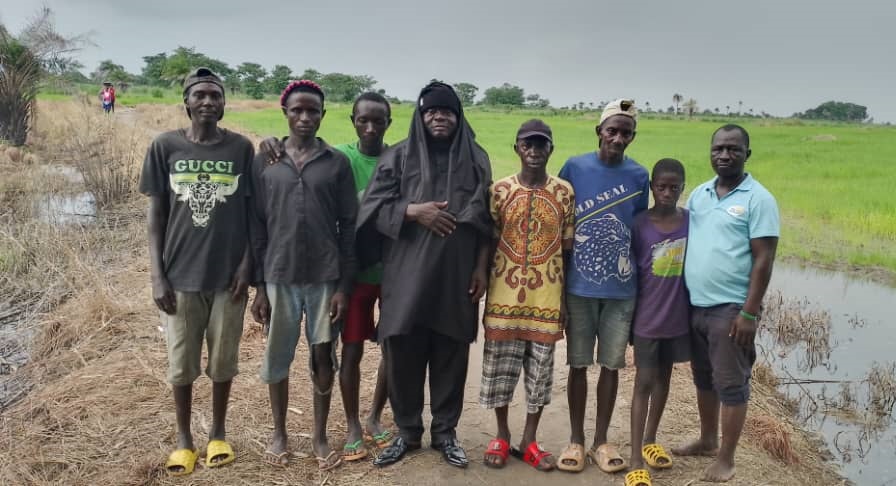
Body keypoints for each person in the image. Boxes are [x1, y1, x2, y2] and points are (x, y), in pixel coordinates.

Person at [356, 82, 492, 469]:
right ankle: (407, 432)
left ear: (458, 116)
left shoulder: (476, 159)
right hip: (406, 278)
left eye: (447, 111)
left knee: (451, 353)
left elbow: (485, 220)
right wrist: (413, 211)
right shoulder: (397, 157)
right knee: (402, 352)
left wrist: (482, 267)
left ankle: (445, 433)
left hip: (455, 277)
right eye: (431, 111)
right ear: (420, 115)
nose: (439, 117)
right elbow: (371, 211)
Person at [138, 67, 254, 477]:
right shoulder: (164, 146)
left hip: (229, 279)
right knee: (181, 365)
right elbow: (156, 217)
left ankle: (218, 433)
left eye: (216, 96)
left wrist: (246, 265)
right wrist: (157, 275)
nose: (208, 102)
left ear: (224, 104)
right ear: (186, 102)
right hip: (180, 277)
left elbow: (251, 213)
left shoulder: (241, 149)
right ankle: (184, 439)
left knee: (224, 362)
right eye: (200, 95)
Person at [249, 80, 358, 472]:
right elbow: (257, 226)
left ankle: (319, 435)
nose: (305, 117)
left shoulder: (335, 162)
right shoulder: (266, 161)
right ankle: (279, 432)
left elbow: (349, 226)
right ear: (286, 113)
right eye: (297, 110)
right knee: (277, 357)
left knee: (322, 357)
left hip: (325, 277)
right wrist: (258, 287)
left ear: (323, 115)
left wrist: (344, 288)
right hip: (278, 276)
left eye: (313, 111)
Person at [673, 124, 779, 482]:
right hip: (697, 305)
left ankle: (727, 459)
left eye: (733, 149)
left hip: (732, 309)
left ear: (747, 154)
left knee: (731, 383)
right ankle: (706, 439)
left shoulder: (758, 199)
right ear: (710, 151)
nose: (724, 155)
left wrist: (749, 312)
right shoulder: (700, 194)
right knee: (704, 377)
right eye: (718, 148)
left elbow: (764, 258)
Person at [557, 99, 649, 473]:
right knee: (578, 364)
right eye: (612, 130)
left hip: (621, 291)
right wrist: (559, 290)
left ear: (632, 136)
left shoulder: (639, 176)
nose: (617, 137)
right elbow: (560, 226)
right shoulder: (575, 168)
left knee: (611, 366)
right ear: (599, 131)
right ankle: (576, 440)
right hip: (579, 287)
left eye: (625, 132)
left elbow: (641, 232)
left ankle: (601, 441)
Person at [479, 119, 573, 472]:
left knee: (540, 374)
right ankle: (501, 434)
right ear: (517, 148)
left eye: (541, 144)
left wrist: (564, 300)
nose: (534, 151)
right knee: (499, 371)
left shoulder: (564, 192)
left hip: (546, 298)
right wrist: (482, 281)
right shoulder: (500, 191)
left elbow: (567, 250)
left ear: (551, 148)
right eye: (527, 144)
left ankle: (529, 440)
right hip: (504, 293)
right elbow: (489, 242)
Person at [334, 92, 393, 462]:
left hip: (393, 271)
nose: (370, 128)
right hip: (354, 273)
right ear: (352, 120)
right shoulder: (341, 158)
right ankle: (353, 423)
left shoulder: (399, 158)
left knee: (391, 347)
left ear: (389, 123)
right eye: (363, 120)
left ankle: (375, 417)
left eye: (378, 121)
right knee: (352, 348)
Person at [626, 158, 691, 486]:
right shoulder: (639, 223)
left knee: (664, 379)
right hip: (648, 320)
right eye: (661, 186)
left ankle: (651, 441)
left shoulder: (690, 221)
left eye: (674, 187)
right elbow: (632, 274)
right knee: (643, 383)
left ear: (683, 188)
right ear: (651, 187)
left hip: (677, 319)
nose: (667, 192)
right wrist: (630, 321)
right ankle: (636, 457)